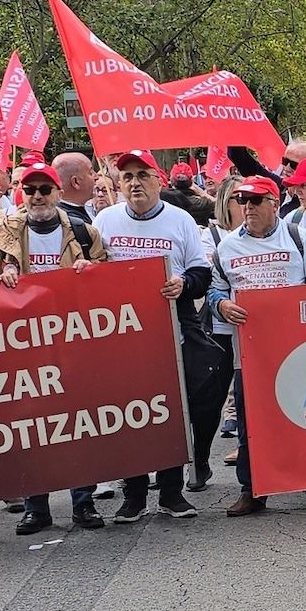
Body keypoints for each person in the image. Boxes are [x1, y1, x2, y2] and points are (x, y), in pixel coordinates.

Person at [0, 160, 112, 533]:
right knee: (31, 427)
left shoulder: (83, 231)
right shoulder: (6, 230)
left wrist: (93, 274)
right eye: (31, 190)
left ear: (58, 192)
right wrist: (3, 275)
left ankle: (83, 502)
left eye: (45, 189)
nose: (38, 196)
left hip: (72, 340)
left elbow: (109, 280)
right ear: (21, 195)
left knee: (79, 425)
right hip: (25, 343)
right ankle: (36, 507)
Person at [91, 150, 214, 520]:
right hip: (121, 333)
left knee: (172, 411)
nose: (134, 183)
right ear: (119, 184)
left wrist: (183, 283)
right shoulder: (106, 219)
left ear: (158, 180)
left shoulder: (180, 220)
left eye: (142, 175)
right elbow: (92, 270)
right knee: (130, 414)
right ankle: (134, 494)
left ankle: (172, 491)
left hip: (170, 327)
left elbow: (201, 273)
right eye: (127, 177)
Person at [209, 175, 306, 515]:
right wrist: (221, 304)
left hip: (296, 348)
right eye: (243, 200)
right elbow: (215, 289)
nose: (248, 207)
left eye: (256, 200)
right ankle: (253, 490)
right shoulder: (228, 245)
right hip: (249, 353)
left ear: (274, 204)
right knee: (252, 424)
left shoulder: (297, 237)